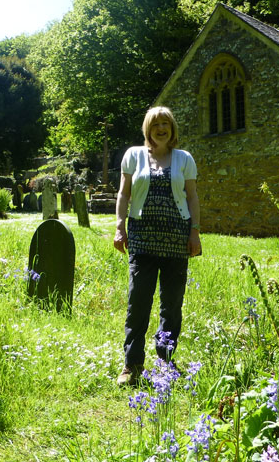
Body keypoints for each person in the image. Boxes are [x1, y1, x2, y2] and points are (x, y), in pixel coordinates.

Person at [113, 106, 201, 387]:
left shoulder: (184, 159)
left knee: (172, 305)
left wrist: (195, 232)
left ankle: (166, 359)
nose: (161, 128)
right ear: (147, 129)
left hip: (177, 240)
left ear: (172, 129)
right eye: (155, 124)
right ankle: (132, 365)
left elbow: (192, 197)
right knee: (138, 302)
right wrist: (119, 226)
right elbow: (124, 193)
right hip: (141, 239)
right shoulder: (133, 156)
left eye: (166, 123)